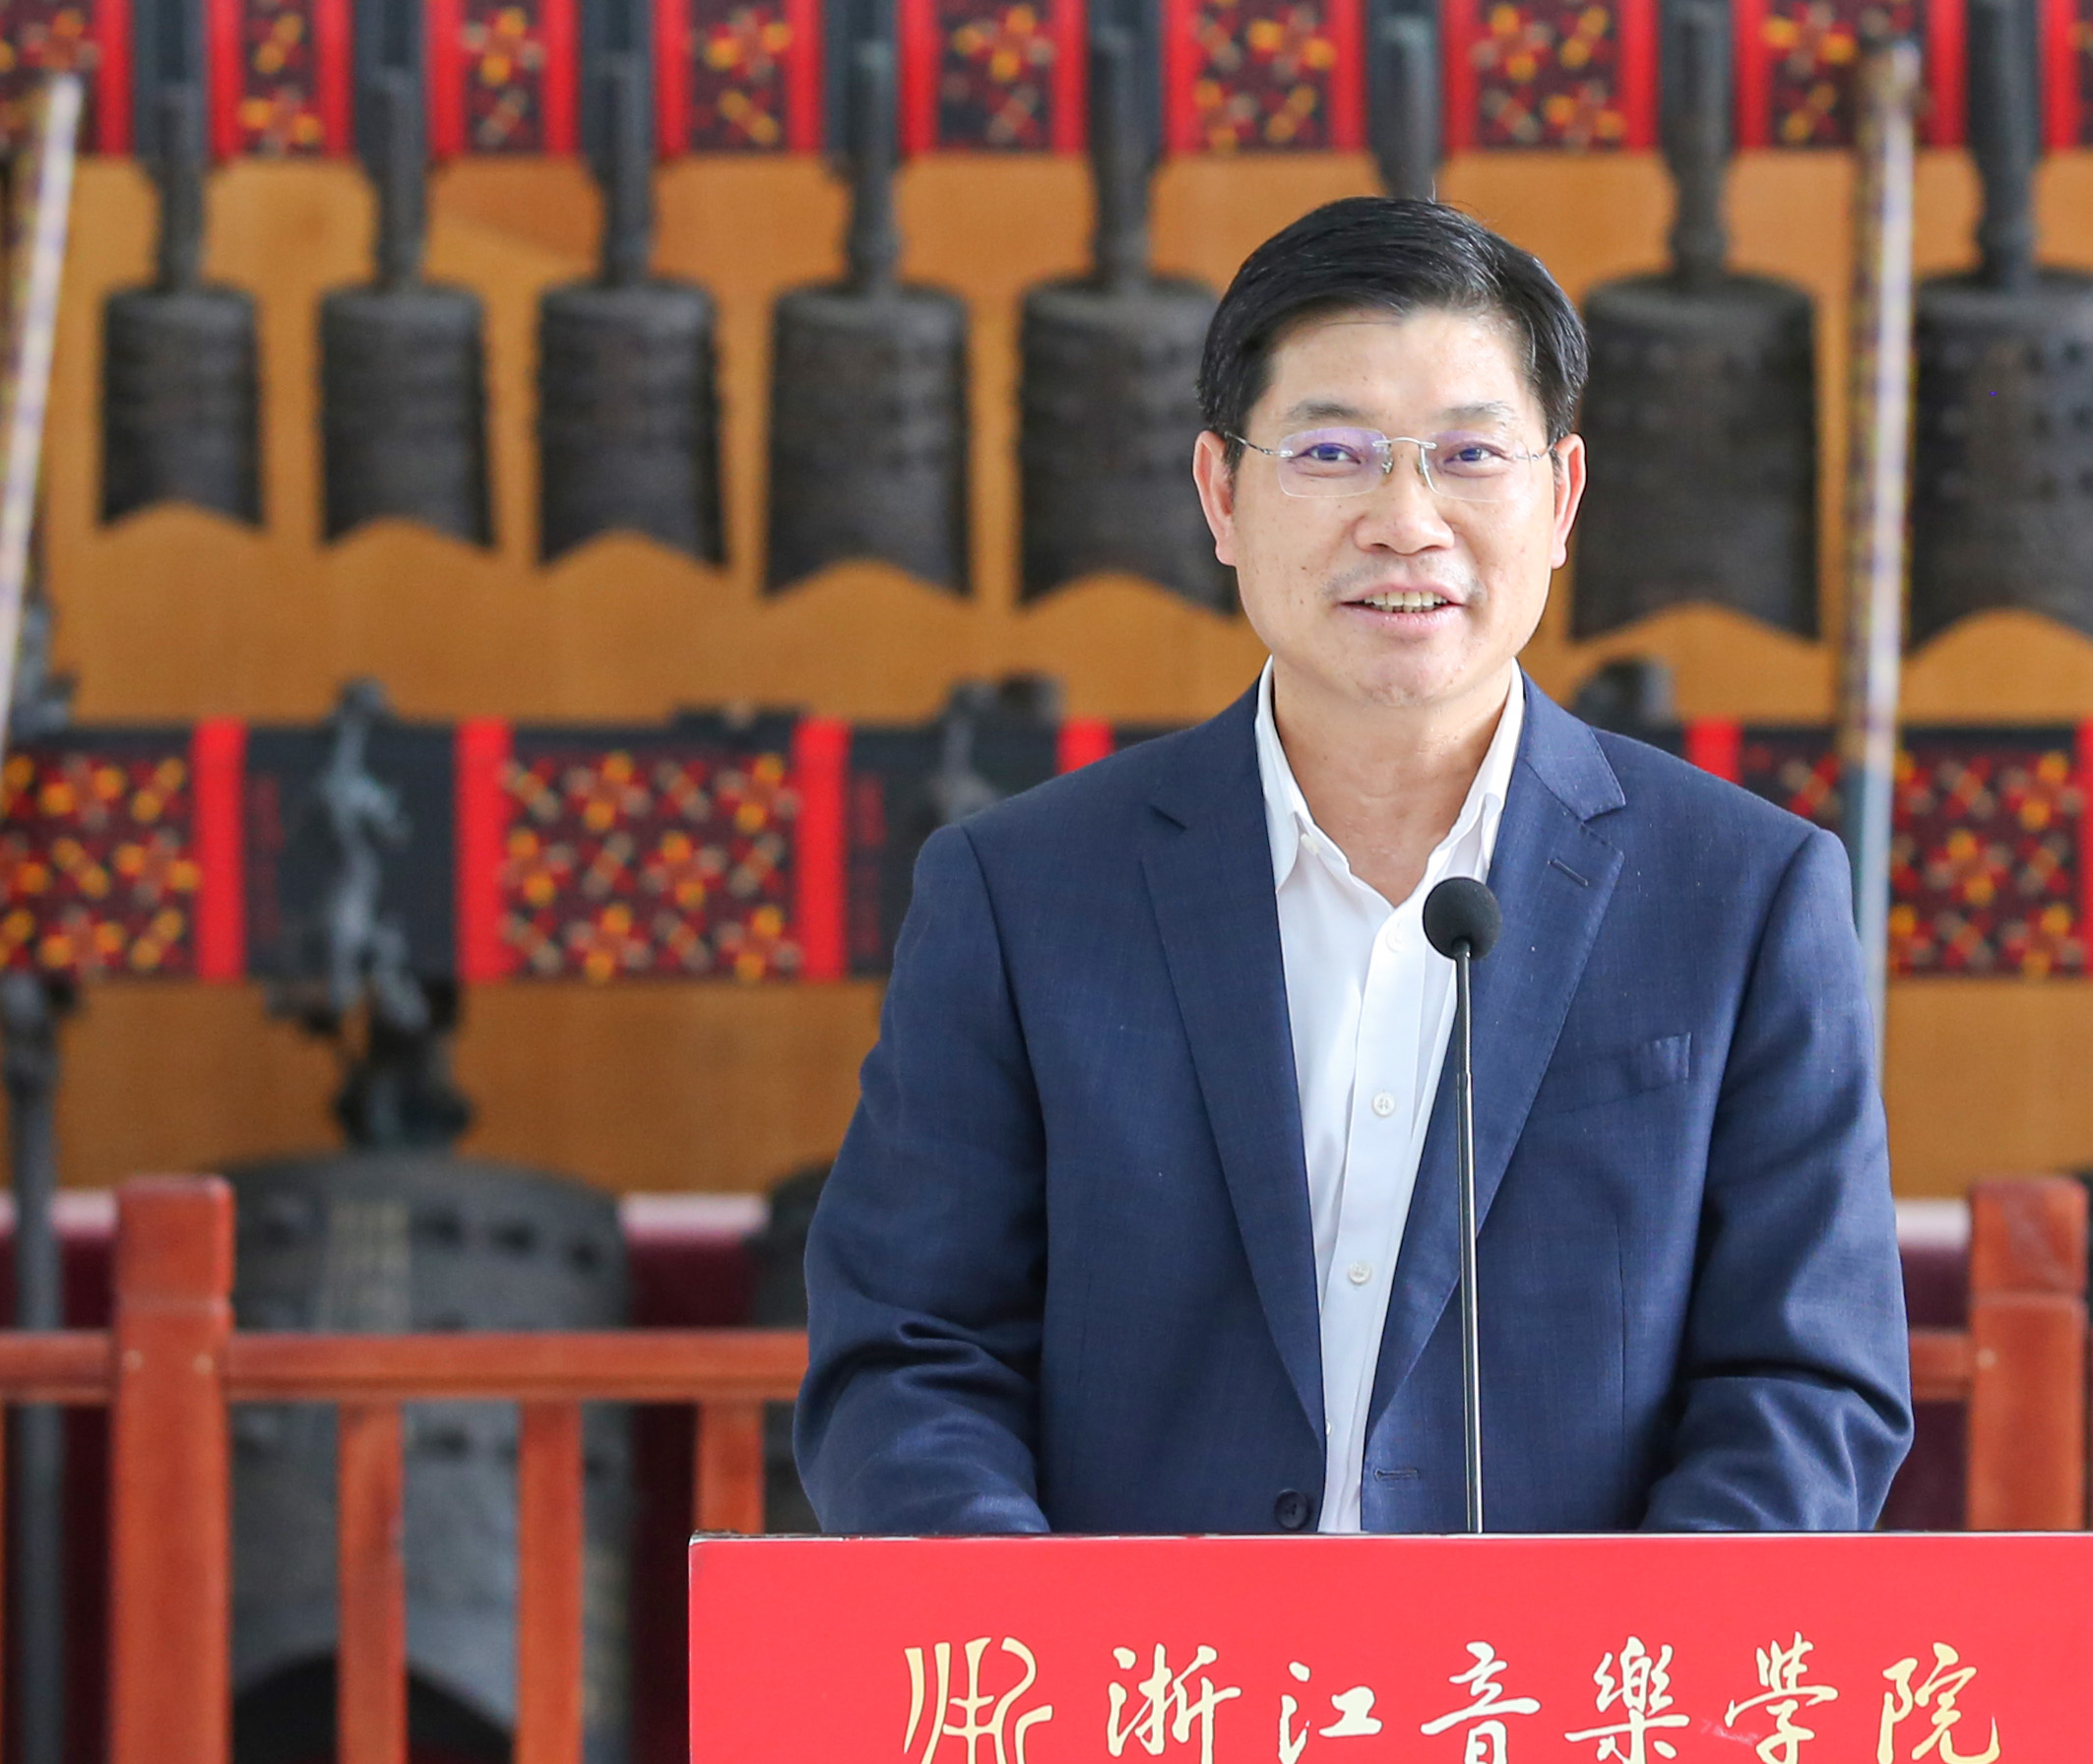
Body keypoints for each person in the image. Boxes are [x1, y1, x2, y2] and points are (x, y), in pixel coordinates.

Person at [795, 196, 1909, 1535]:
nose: (1405, 521)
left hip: (1567, 1670)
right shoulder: (1021, 894)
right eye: (1332, 453)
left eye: (1468, 456)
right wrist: (1054, 1640)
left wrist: (1614, 1660)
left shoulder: (1744, 895)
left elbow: (1807, 1383)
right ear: (1221, 495)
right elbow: (909, 1355)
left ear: (1561, 499)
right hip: (1152, 1667)